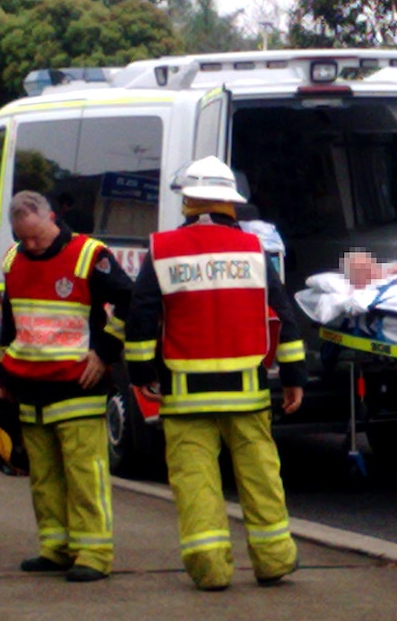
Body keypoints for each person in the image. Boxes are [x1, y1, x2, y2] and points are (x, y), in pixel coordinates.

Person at [124, 156, 307, 592]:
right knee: (260, 477)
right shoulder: (254, 251)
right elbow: (283, 315)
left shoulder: (163, 250)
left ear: (187, 201)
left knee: (195, 483)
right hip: (247, 393)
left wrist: (140, 373)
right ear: (231, 204)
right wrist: (295, 376)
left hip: (185, 396)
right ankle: (274, 560)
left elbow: (141, 318)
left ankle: (209, 569)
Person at [0, 190, 133, 581]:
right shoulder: (12, 258)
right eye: (24, 238)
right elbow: (11, 321)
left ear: (52, 217)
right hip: (29, 389)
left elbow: (128, 300)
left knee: (84, 476)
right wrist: (5, 375)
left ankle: (93, 554)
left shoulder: (90, 255)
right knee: (43, 477)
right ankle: (54, 548)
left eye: (37, 236)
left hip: (77, 389)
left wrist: (104, 352)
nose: (32, 245)